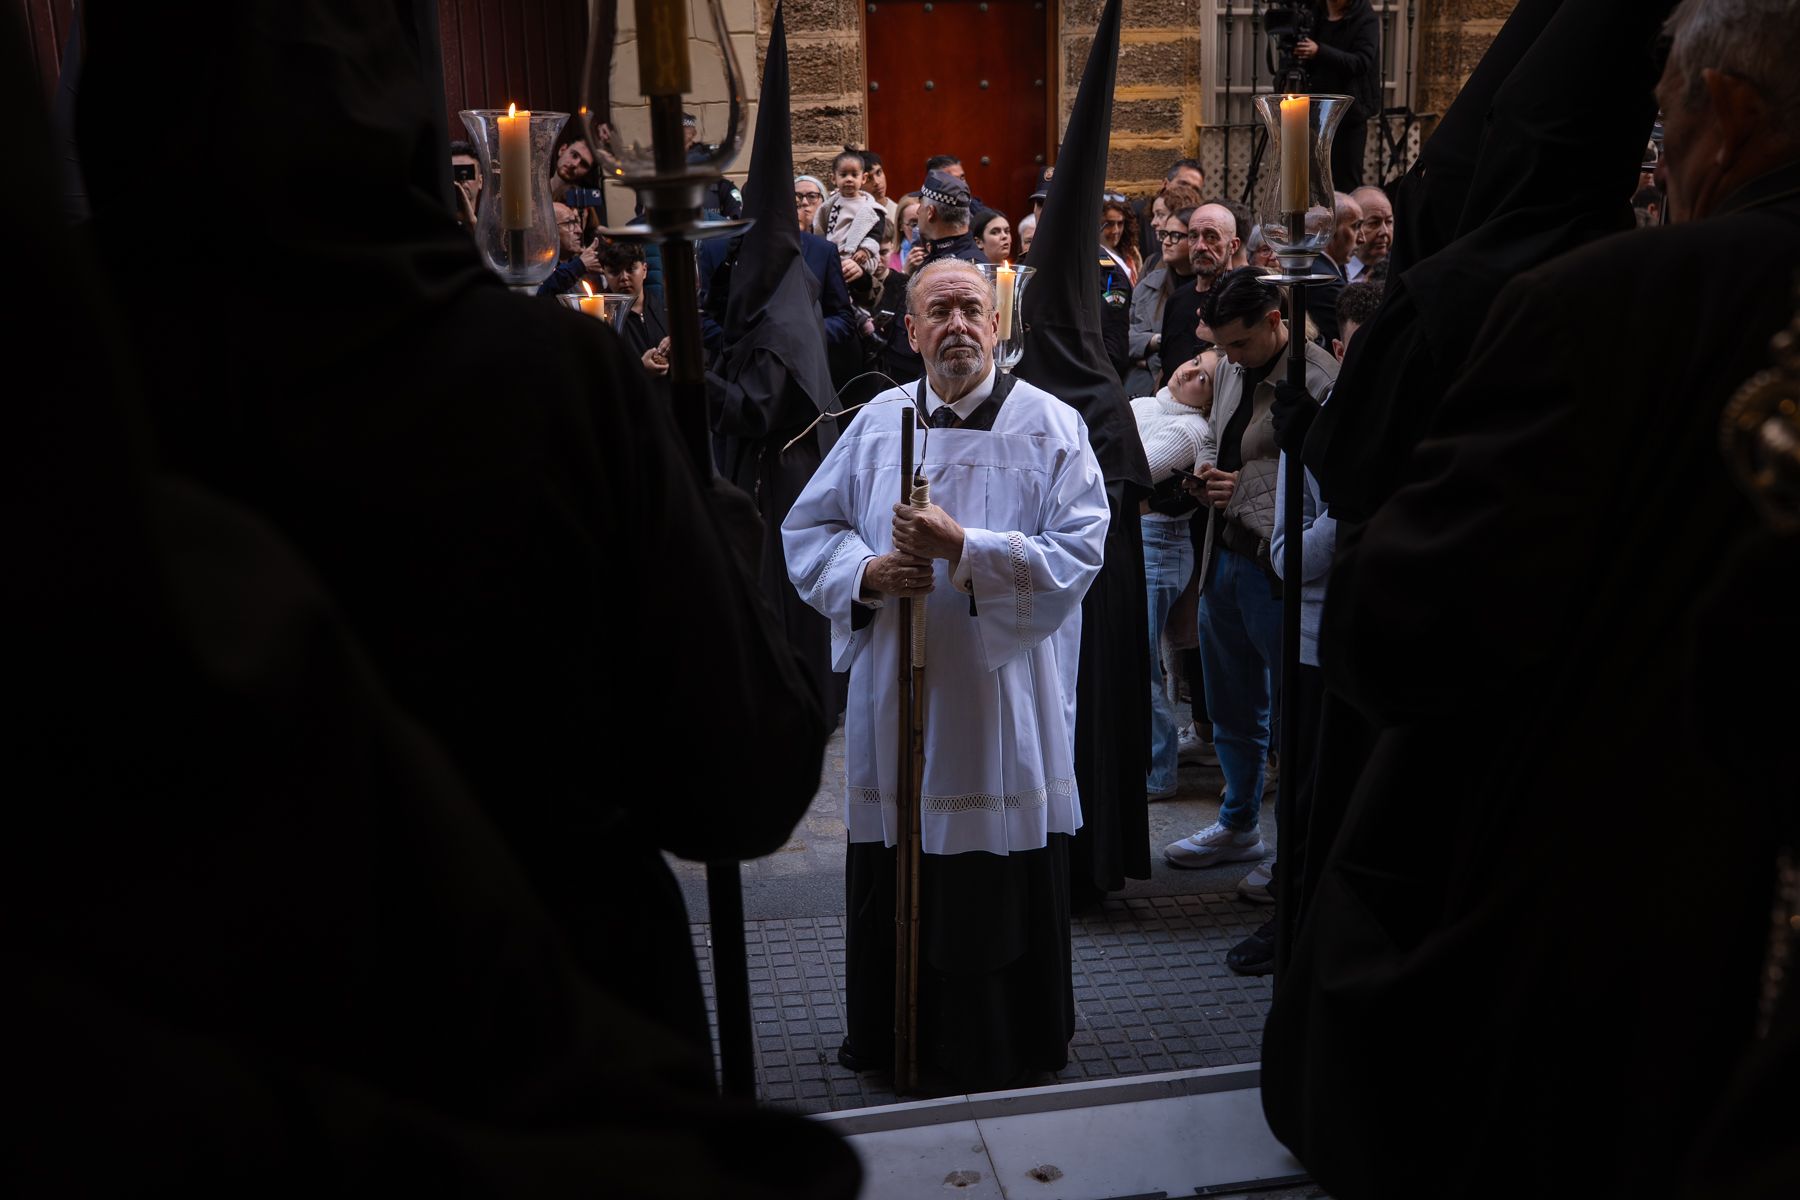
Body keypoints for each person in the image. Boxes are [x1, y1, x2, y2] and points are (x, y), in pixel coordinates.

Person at [76, 0, 833, 1062]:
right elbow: (741, 781)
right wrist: (713, 528)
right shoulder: (547, 387)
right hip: (540, 1063)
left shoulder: (62, 398)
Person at [1267, 0, 1799, 1193]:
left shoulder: (1612, 298)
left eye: (1667, 122)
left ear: (1727, 114)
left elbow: (1403, 632)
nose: (1656, 157)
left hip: (1623, 919)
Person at [782, 258, 1109, 1091]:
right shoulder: (876, 423)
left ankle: (1008, 1041)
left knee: (990, 864)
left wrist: (967, 548)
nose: (957, 324)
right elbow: (807, 530)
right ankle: (896, 1037)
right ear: (912, 329)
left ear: (995, 324)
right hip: (896, 691)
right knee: (899, 849)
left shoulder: (1050, 426)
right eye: (938, 311)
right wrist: (867, 574)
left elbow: (1080, 551)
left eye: (971, 308)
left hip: (1003, 701)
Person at [1163, 268, 1336, 870]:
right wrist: (1209, 472)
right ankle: (1237, 822)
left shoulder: (1318, 380)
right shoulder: (1232, 365)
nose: (1228, 358)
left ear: (1274, 321)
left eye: (1239, 343)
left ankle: (1294, 848)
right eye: (1221, 346)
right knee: (1232, 704)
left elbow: (1323, 477)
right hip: (1225, 553)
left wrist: (1241, 486)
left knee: (1293, 715)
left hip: (1278, 566)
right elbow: (1214, 431)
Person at [1133, 352, 1218, 800]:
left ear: (1210, 399)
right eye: (1194, 362)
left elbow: (1134, 467)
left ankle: (1158, 774)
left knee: (1142, 664)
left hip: (1157, 547)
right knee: (1138, 660)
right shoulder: (1150, 405)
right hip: (1138, 539)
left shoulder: (1192, 430)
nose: (1189, 371)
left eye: (1204, 378)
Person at [1126, 184, 1205, 396]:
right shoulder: (1150, 283)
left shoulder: (1206, 287)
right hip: (1140, 392)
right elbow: (1124, 337)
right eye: (1164, 235)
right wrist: (1155, 341)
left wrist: (1148, 356)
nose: (1166, 242)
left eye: (1175, 236)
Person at [1294, 1, 1380, 191]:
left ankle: (1349, 219)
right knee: (1310, 182)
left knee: (1347, 181)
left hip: (1350, 113)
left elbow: (1362, 62)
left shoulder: (1365, 18)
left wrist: (1319, 51)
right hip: (1314, 110)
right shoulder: (1313, 14)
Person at [1159, 202, 1238, 386]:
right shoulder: (1177, 300)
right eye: (1193, 236)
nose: (1200, 246)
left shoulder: (1238, 301)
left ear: (1233, 246)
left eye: (1211, 237)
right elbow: (1166, 367)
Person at [600, 240, 669, 374]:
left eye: (630, 269)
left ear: (644, 270)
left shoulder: (664, 308)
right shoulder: (599, 316)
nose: (624, 278)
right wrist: (640, 370)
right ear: (604, 274)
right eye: (615, 272)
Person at [536, 200, 602, 296]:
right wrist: (579, 265)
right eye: (569, 223)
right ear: (548, 229)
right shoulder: (533, 268)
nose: (579, 230)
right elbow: (540, 294)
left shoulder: (586, 268)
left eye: (576, 223)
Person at [1345, 184, 1392, 279]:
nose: (1385, 231)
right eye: (1374, 223)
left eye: (1389, 222)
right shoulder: (1330, 271)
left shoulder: (1404, 269)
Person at [1101, 192, 1142, 285]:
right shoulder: (1091, 257)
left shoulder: (1132, 253)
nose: (1115, 230)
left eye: (1120, 223)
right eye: (1109, 224)